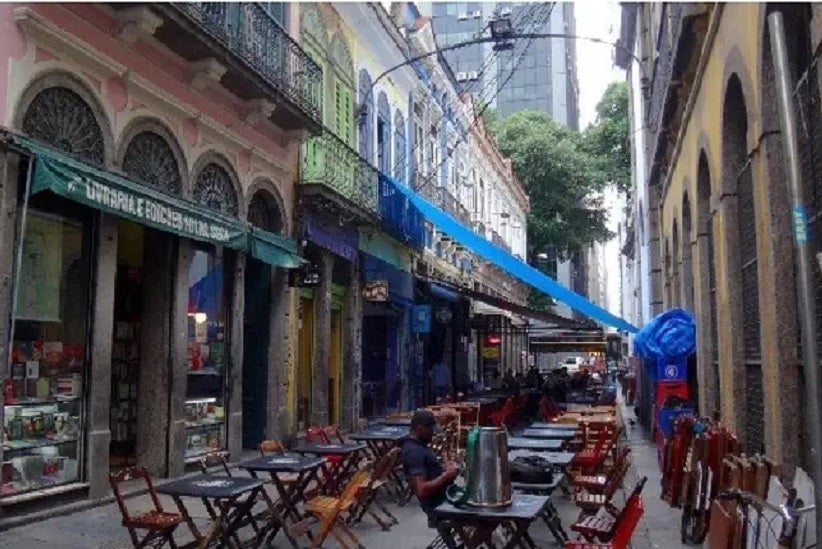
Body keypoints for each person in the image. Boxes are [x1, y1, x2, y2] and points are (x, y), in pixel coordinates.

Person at [400, 410, 460, 521]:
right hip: (439, 504)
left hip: (446, 496)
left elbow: (431, 471)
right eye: (430, 429)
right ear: (420, 428)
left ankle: (474, 538)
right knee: (486, 518)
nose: (433, 433)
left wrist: (444, 468)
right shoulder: (414, 452)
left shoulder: (420, 446)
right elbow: (421, 490)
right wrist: (446, 476)